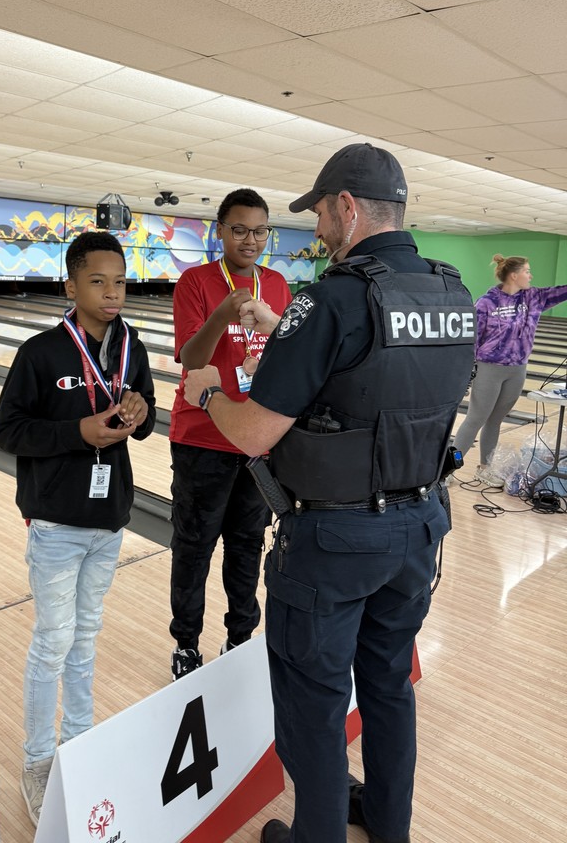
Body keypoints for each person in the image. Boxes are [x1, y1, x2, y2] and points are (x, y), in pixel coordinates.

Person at [183, 143, 475, 843]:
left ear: (347, 207)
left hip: (334, 544)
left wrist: (211, 393)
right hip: (419, 529)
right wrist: (286, 333)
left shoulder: (330, 297)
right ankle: (388, 827)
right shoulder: (450, 292)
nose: (316, 228)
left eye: (319, 212)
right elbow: (377, 380)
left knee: (312, 707)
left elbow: (256, 433)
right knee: (388, 688)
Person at [0, 230, 156, 827]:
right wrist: (77, 433)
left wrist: (140, 412)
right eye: (98, 281)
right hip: (57, 523)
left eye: (120, 282)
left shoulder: (131, 347)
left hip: (109, 520)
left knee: (86, 637)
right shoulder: (40, 353)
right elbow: (7, 430)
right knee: (54, 640)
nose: (112, 292)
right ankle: (38, 760)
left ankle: (78, 743)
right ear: (71, 287)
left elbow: (145, 414)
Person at [168, 188, 292, 680]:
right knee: (194, 547)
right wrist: (222, 314)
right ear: (220, 230)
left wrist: (266, 363)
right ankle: (186, 643)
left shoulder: (276, 284)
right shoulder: (195, 282)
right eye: (239, 229)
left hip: (255, 439)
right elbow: (192, 359)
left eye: (259, 231)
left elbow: (288, 354)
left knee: (246, 544)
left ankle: (240, 636)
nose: (250, 240)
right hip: (201, 438)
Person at [452, 254, 567, 487]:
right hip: (489, 369)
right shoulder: (487, 303)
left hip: (517, 370)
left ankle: (485, 468)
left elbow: (561, 291)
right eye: (527, 271)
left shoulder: (533, 297)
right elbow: (472, 339)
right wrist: (465, 371)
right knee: (475, 419)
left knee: (495, 421)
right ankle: (447, 471)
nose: (530, 275)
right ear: (514, 275)